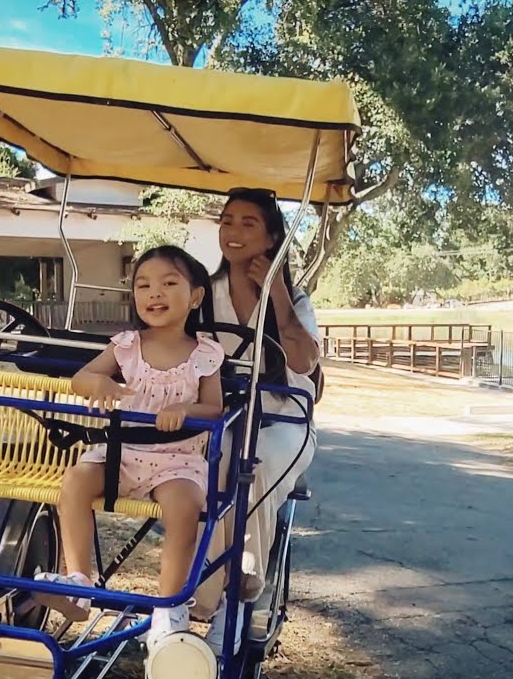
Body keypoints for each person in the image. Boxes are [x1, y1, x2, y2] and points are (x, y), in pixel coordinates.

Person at [35, 245, 225, 651]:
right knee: (76, 481)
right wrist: (99, 383)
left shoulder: (205, 354)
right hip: (121, 453)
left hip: (176, 460)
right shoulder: (126, 345)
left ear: (195, 297)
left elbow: (215, 408)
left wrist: (185, 409)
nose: (154, 293)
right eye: (143, 285)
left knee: (185, 508)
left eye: (169, 283)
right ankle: (78, 582)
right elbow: (80, 379)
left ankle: (169, 606)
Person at [197, 186, 321, 653]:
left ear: (271, 238)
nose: (234, 231)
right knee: (210, 464)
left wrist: (278, 295)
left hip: (283, 419)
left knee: (256, 466)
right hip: (224, 416)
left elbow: (304, 362)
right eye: (227, 221)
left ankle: (242, 592)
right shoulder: (202, 295)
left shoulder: (295, 300)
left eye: (248, 223)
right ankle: (203, 596)